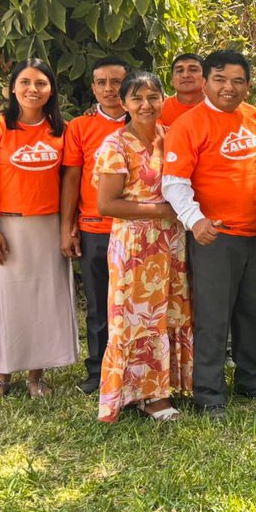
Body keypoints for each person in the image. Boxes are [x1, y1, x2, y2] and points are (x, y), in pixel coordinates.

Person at [162, 50, 256, 420]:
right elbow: (174, 182)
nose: (229, 87)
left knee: (252, 313)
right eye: (220, 80)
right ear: (206, 82)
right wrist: (196, 221)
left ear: (248, 84)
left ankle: (251, 382)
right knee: (213, 317)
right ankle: (210, 394)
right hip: (214, 237)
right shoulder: (189, 125)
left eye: (237, 81)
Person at [0, 58, 78, 401]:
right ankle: (2, 374)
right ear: (13, 87)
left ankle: (37, 376)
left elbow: (69, 185)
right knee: (7, 300)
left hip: (48, 226)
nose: (33, 89)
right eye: (26, 82)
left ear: (51, 90)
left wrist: (66, 229)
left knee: (43, 302)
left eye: (41, 83)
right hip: (8, 226)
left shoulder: (62, 130)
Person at [94, 72, 192, 422]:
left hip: (172, 243)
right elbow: (107, 204)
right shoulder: (115, 146)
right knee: (139, 318)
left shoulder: (171, 136)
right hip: (135, 245)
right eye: (137, 99)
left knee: (170, 314)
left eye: (152, 97)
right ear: (124, 103)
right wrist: (162, 211)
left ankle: (170, 385)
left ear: (163, 99)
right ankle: (149, 396)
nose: (145, 105)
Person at [60, 56, 129, 394]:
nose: (109, 89)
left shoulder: (146, 123)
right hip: (94, 228)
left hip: (137, 230)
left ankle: (135, 368)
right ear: (93, 88)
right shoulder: (80, 127)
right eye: (101, 82)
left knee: (136, 303)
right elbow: (72, 179)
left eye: (116, 82)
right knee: (100, 305)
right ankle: (97, 371)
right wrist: (67, 226)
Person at [159, 53, 205, 126]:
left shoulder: (219, 107)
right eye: (180, 71)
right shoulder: (159, 109)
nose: (185, 75)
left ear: (206, 76)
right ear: (172, 79)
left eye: (193, 70)